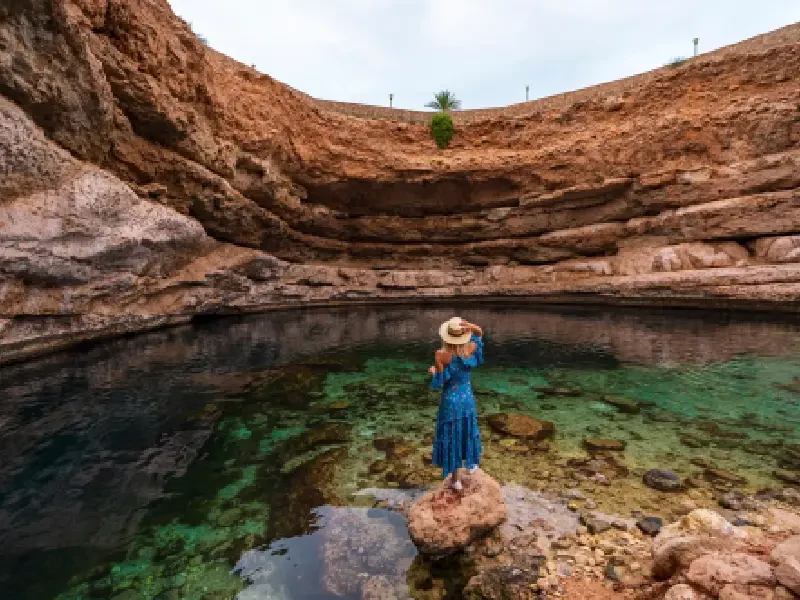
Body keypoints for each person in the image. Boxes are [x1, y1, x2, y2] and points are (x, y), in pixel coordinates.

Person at [428, 317, 484, 491]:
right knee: (467, 431)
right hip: (466, 399)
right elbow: (480, 334)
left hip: (450, 402)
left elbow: (439, 381)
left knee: (451, 437)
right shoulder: (469, 349)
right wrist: (471, 326)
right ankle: (471, 464)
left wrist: (433, 372)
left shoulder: (441, 355)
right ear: (463, 336)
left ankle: (455, 480)